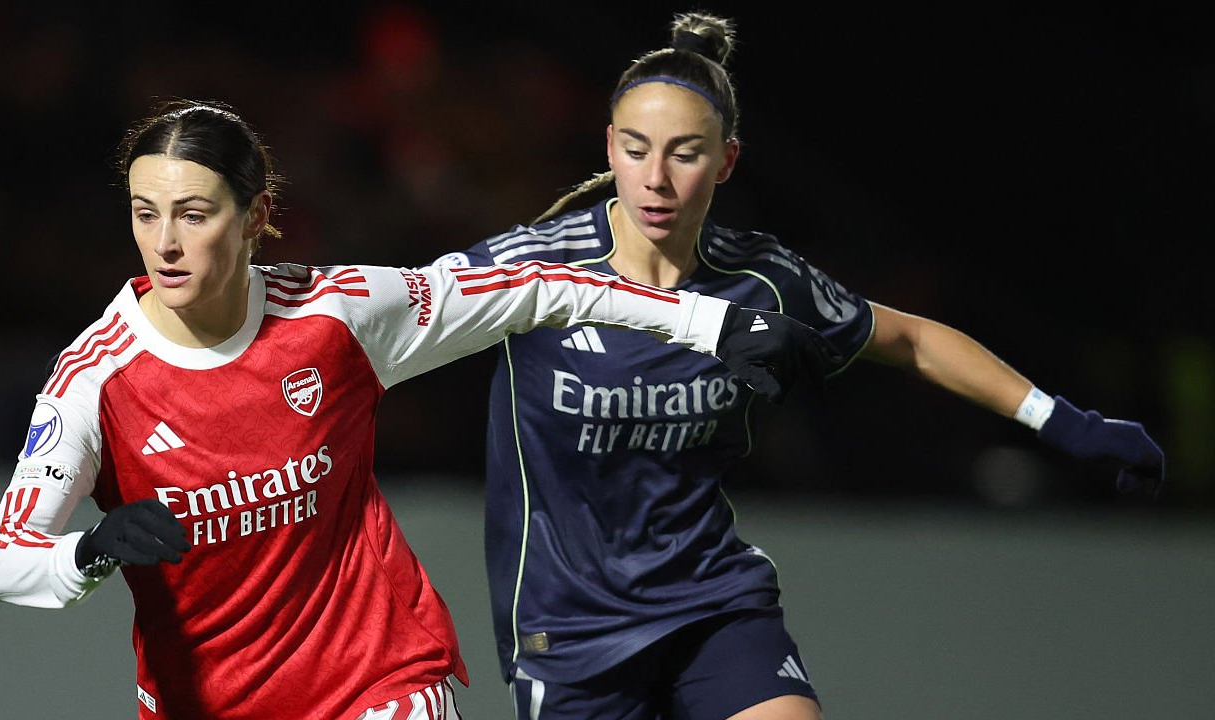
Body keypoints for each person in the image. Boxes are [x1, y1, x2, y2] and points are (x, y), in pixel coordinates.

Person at [0, 99, 840, 720]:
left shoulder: (338, 316)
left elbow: (533, 287)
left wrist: (705, 319)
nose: (164, 242)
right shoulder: (96, 377)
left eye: (193, 214)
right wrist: (89, 550)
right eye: (145, 214)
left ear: (255, 218)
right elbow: (0, 565)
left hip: (376, 677)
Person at [424, 11, 1166, 720]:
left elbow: (908, 339)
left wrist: (1059, 419)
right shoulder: (532, 268)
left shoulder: (764, 278)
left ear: (727, 160)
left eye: (685, 152)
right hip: (570, 628)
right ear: (609, 147)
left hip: (710, 601)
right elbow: (390, 311)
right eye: (636, 148)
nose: (656, 177)